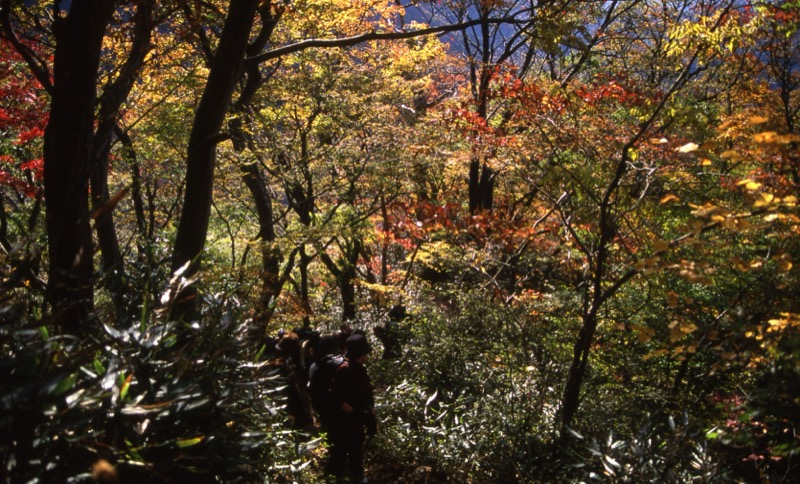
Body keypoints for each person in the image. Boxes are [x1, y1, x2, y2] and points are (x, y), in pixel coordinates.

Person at [327, 333, 377, 483]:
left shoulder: (359, 368)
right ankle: (341, 476)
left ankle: (356, 474)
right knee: (343, 449)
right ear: (361, 354)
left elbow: (366, 392)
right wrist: (355, 413)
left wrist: (370, 412)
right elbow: (337, 399)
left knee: (356, 448)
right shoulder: (344, 370)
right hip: (345, 421)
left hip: (358, 418)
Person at [307, 335, 344, 435]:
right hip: (343, 409)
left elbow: (312, 391)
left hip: (323, 408)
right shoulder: (342, 364)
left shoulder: (314, 367)